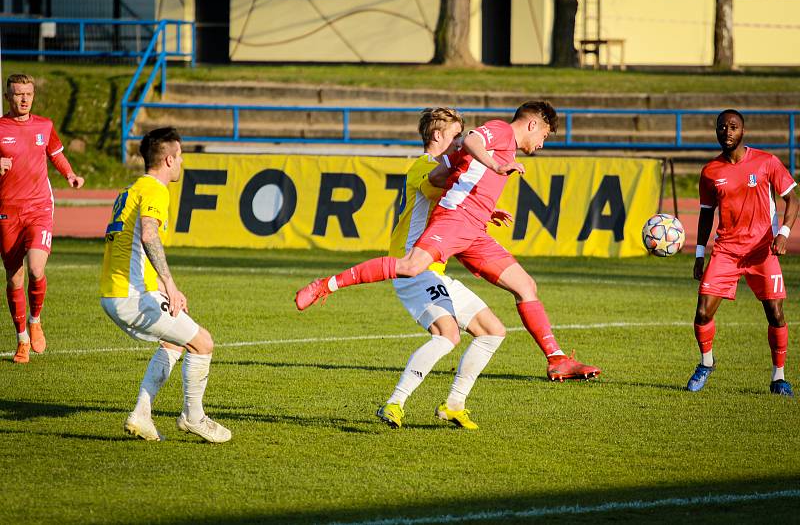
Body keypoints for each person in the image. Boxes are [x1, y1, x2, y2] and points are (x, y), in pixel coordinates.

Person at [296, 101, 601, 391]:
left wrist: (482, 203)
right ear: (533, 124)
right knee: (410, 267)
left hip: (474, 229)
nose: (542, 144)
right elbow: (471, 137)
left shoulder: (472, 153)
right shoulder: (502, 132)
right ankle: (326, 285)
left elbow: (443, 173)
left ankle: (557, 359)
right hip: (455, 221)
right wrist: (495, 166)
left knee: (525, 285)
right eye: (544, 136)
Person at [377, 107, 509, 430]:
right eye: (454, 137)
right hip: (412, 268)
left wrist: (482, 212)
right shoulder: (423, 167)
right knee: (447, 335)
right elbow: (438, 184)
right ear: (437, 136)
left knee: (492, 330)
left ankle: (454, 404)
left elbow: (451, 199)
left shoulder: (442, 168)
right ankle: (394, 403)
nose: (458, 144)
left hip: (434, 271)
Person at [100, 127, 231, 443]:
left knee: (174, 342)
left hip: (115, 293)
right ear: (169, 159)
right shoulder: (157, 190)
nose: (182, 163)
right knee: (203, 343)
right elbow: (148, 235)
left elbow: (129, 249)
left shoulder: (131, 191)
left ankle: (142, 414)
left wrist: (161, 285)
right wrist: (169, 285)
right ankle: (193, 416)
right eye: (180, 157)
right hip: (132, 297)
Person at [688, 109, 798, 396]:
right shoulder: (710, 171)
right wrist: (700, 253)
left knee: (775, 314)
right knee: (702, 313)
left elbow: (792, 200)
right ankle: (706, 363)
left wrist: (783, 234)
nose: (727, 132)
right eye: (722, 127)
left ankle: (778, 378)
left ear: (743, 131)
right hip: (726, 252)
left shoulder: (766, 162)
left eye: (733, 127)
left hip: (762, 251)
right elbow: (705, 215)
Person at [0, 74, 84, 364]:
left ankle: (35, 320)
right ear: (7, 97)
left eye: (28, 94)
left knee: (36, 268)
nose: (24, 99)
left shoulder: (44, 125)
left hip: (38, 208)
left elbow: (56, 154)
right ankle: (21, 339)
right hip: (7, 211)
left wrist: (70, 174)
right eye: (18, 94)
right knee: (14, 278)